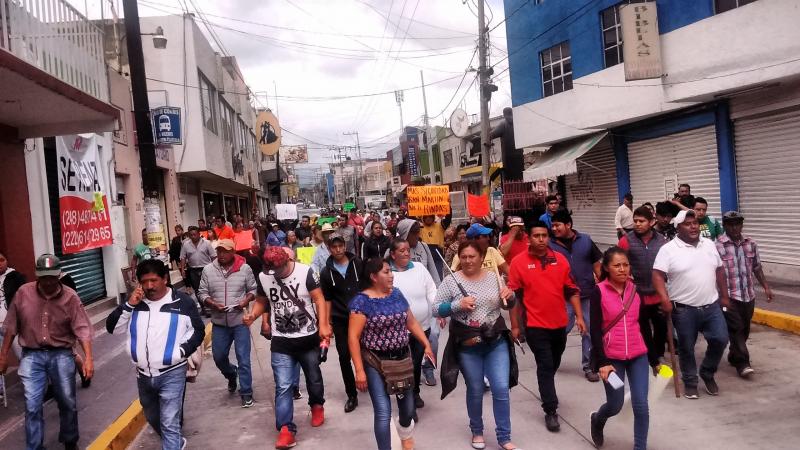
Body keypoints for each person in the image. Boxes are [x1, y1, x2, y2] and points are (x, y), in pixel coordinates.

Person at [106, 259, 205, 450]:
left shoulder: (182, 302)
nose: (149, 286)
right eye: (144, 281)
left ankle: (172, 444)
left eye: (154, 280)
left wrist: (181, 352)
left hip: (173, 371)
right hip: (143, 374)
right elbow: (113, 328)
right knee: (152, 417)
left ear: (165, 279)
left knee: (169, 420)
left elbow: (197, 331)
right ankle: (176, 442)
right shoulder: (135, 304)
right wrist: (128, 305)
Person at [0, 254, 93, 450]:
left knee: (67, 400)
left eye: (52, 277)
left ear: (59, 275)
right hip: (31, 355)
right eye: (44, 277)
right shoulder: (23, 294)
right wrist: (3, 355)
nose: (48, 282)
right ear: (37, 275)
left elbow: (83, 329)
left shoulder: (70, 297)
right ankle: (34, 446)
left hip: (61, 354)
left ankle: (69, 439)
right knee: (32, 404)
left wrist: (88, 359)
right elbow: (10, 327)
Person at [434, 241, 520, 450]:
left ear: (482, 257)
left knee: (500, 388)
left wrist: (510, 296)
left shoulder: (493, 277)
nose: (468, 261)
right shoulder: (450, 281)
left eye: (472, 256)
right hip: (467, 345)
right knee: (475, 388)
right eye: (463, 257)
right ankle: (477, 431)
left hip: (495, 341)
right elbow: (436, 309)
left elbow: (506, 304)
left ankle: (504, 437)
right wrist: (457, 305)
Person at [245, 247, 332, 450]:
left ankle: (317, 404)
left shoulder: (305, 272)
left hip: (307, 337)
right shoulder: (264, 277)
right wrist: (253, 315)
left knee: (313, 377)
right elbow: (261, 302)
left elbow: (319, 298)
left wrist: (324, 324)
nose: (274, 275)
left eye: (278, 270)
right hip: (281, 340)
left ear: (286, 262)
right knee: (283, 386)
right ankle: (286, 429)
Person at [508, 223, 586, 432]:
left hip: (559, 324)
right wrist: (515, 326)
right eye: (537, 235)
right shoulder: (518, 263)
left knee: (553, 363)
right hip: (534, 325)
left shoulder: (559, 260)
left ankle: (546, 388)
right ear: (529, 239)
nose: (541, 239)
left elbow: (572, 290)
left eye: (544, 235)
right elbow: (513, 297)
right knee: (545, 365)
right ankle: (550, 409)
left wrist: (579, 316)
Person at [348, 258, 434, 450]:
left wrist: (426, 344)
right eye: (386, 272)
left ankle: (405, 434)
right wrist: (359, 371)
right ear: (373, 276)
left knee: (407, 410)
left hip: (402, 359)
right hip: (374, 361)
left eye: (390, 271)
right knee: (382, 411)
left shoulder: (396, 294)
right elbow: (353, 338)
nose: (391, 275)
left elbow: (410, 322)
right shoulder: (362, 302)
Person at [653, 210, 730, 399]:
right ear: (678, 227)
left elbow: (720, 270)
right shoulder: (668, 249)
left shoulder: (709, 244)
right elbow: (657, 275)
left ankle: (707, 372)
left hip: (711, 305)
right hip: (684, 309)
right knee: (686, 347)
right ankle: (690, 381)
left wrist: (725, 296)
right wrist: (664, 299)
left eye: (695, 222)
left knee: (721, 339)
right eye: (688, 224)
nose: (693, 226)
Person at [589, 247, 651, 450]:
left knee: (641, 405)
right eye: (617, 265)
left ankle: (639, 447)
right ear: (606, 267)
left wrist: (656, 358)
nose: (622, 269)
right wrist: (602, 362)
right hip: (612, 360)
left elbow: (644, 325)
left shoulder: (636, 290)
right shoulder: (598, 291)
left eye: (625, 265)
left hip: (638, 356)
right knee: (615, 404)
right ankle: (598, 419)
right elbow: (596, 330)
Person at [197, 239, 258, 408]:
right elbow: (202, 293)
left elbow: (253, 289)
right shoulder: (208, 270)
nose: (222, 254)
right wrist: (212, 303)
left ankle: (246, 392)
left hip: (239, 321)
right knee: (219, 357)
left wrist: (246, 300)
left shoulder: (244, 268)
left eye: (225, 251)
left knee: (243, 358)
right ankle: (232, 374)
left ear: (233, 252)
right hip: (219, 322)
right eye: (219, 251)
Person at [716, 211, 773, 378]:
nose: (734, 227)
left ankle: (734, 355)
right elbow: (713, 271)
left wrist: (766, 287)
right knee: (736, 328)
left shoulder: (751, 243)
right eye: (730, 224)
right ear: (725, 226)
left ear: (741, 225)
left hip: (748, 295)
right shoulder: (717, 245)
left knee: (745, 328)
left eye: (737, 224)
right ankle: (743, 363)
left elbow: (757, 267)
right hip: (728, 296)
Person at [549, 209, 602, 382]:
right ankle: (553, 360)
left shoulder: (585, 240)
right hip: (562, 296)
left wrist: (604, 285)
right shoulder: (550, 244)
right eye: (553, 225)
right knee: (560, 330)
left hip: (587, 294)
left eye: (557, 225)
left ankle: (589, 366)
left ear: (568, 225)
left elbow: (596, 265)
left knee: (588, 331)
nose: (554, 228)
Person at [388, 239, 437, 412]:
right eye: (401, 250)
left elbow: (431, 290)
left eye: (408, 250)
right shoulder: (388, 273)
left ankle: (414, 392)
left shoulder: (419, 268)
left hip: (422, 327)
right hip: (398, 331)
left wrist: (436, 309)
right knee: (403, 365)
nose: (406, 253)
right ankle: (405, 397)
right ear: (393, 254)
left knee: (415, 363)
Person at [618, 206, 669, 369]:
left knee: (661, 327)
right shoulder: (626, 241)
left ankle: (659, 354)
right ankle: (651, 358)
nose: (638, 224)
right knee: (644, 328)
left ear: (652, 222)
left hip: (658, 293)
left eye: (642, 221)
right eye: (635, 221)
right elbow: (618, 263)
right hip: (636, 294)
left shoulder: (662, 241)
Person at [319, 233, 363, 413]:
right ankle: (351, 394)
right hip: (340, 319)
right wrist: (326, 322)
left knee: (368, 352)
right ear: (329, 249)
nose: (338, 249)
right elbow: (327, 299)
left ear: (345, 246)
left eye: (340, 246)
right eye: (334, 247)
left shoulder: (358, 264)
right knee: (344, 356)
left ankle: (371, 382)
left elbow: (368, 287)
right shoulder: (326, 272)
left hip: (362, 316)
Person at [394, 218, 441, 285]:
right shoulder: (393, 250)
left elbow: (433, 272)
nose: (417, 235)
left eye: (418, 232)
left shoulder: (424, 246)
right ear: (405, 234)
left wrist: (438, 288)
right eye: (414, 233)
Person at [179, 226, 216, 301]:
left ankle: (210, 304)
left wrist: (216, 268)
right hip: (193, 270)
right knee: (197, 289)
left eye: (195, 234)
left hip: (206, 268)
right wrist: (182, 270)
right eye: (191, 235)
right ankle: (203, 307)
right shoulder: (186, 245)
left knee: (208, 288)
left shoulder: (206, 243)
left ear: (199, 234)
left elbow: (213, 256)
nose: (193, 236)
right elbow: (183, 257)